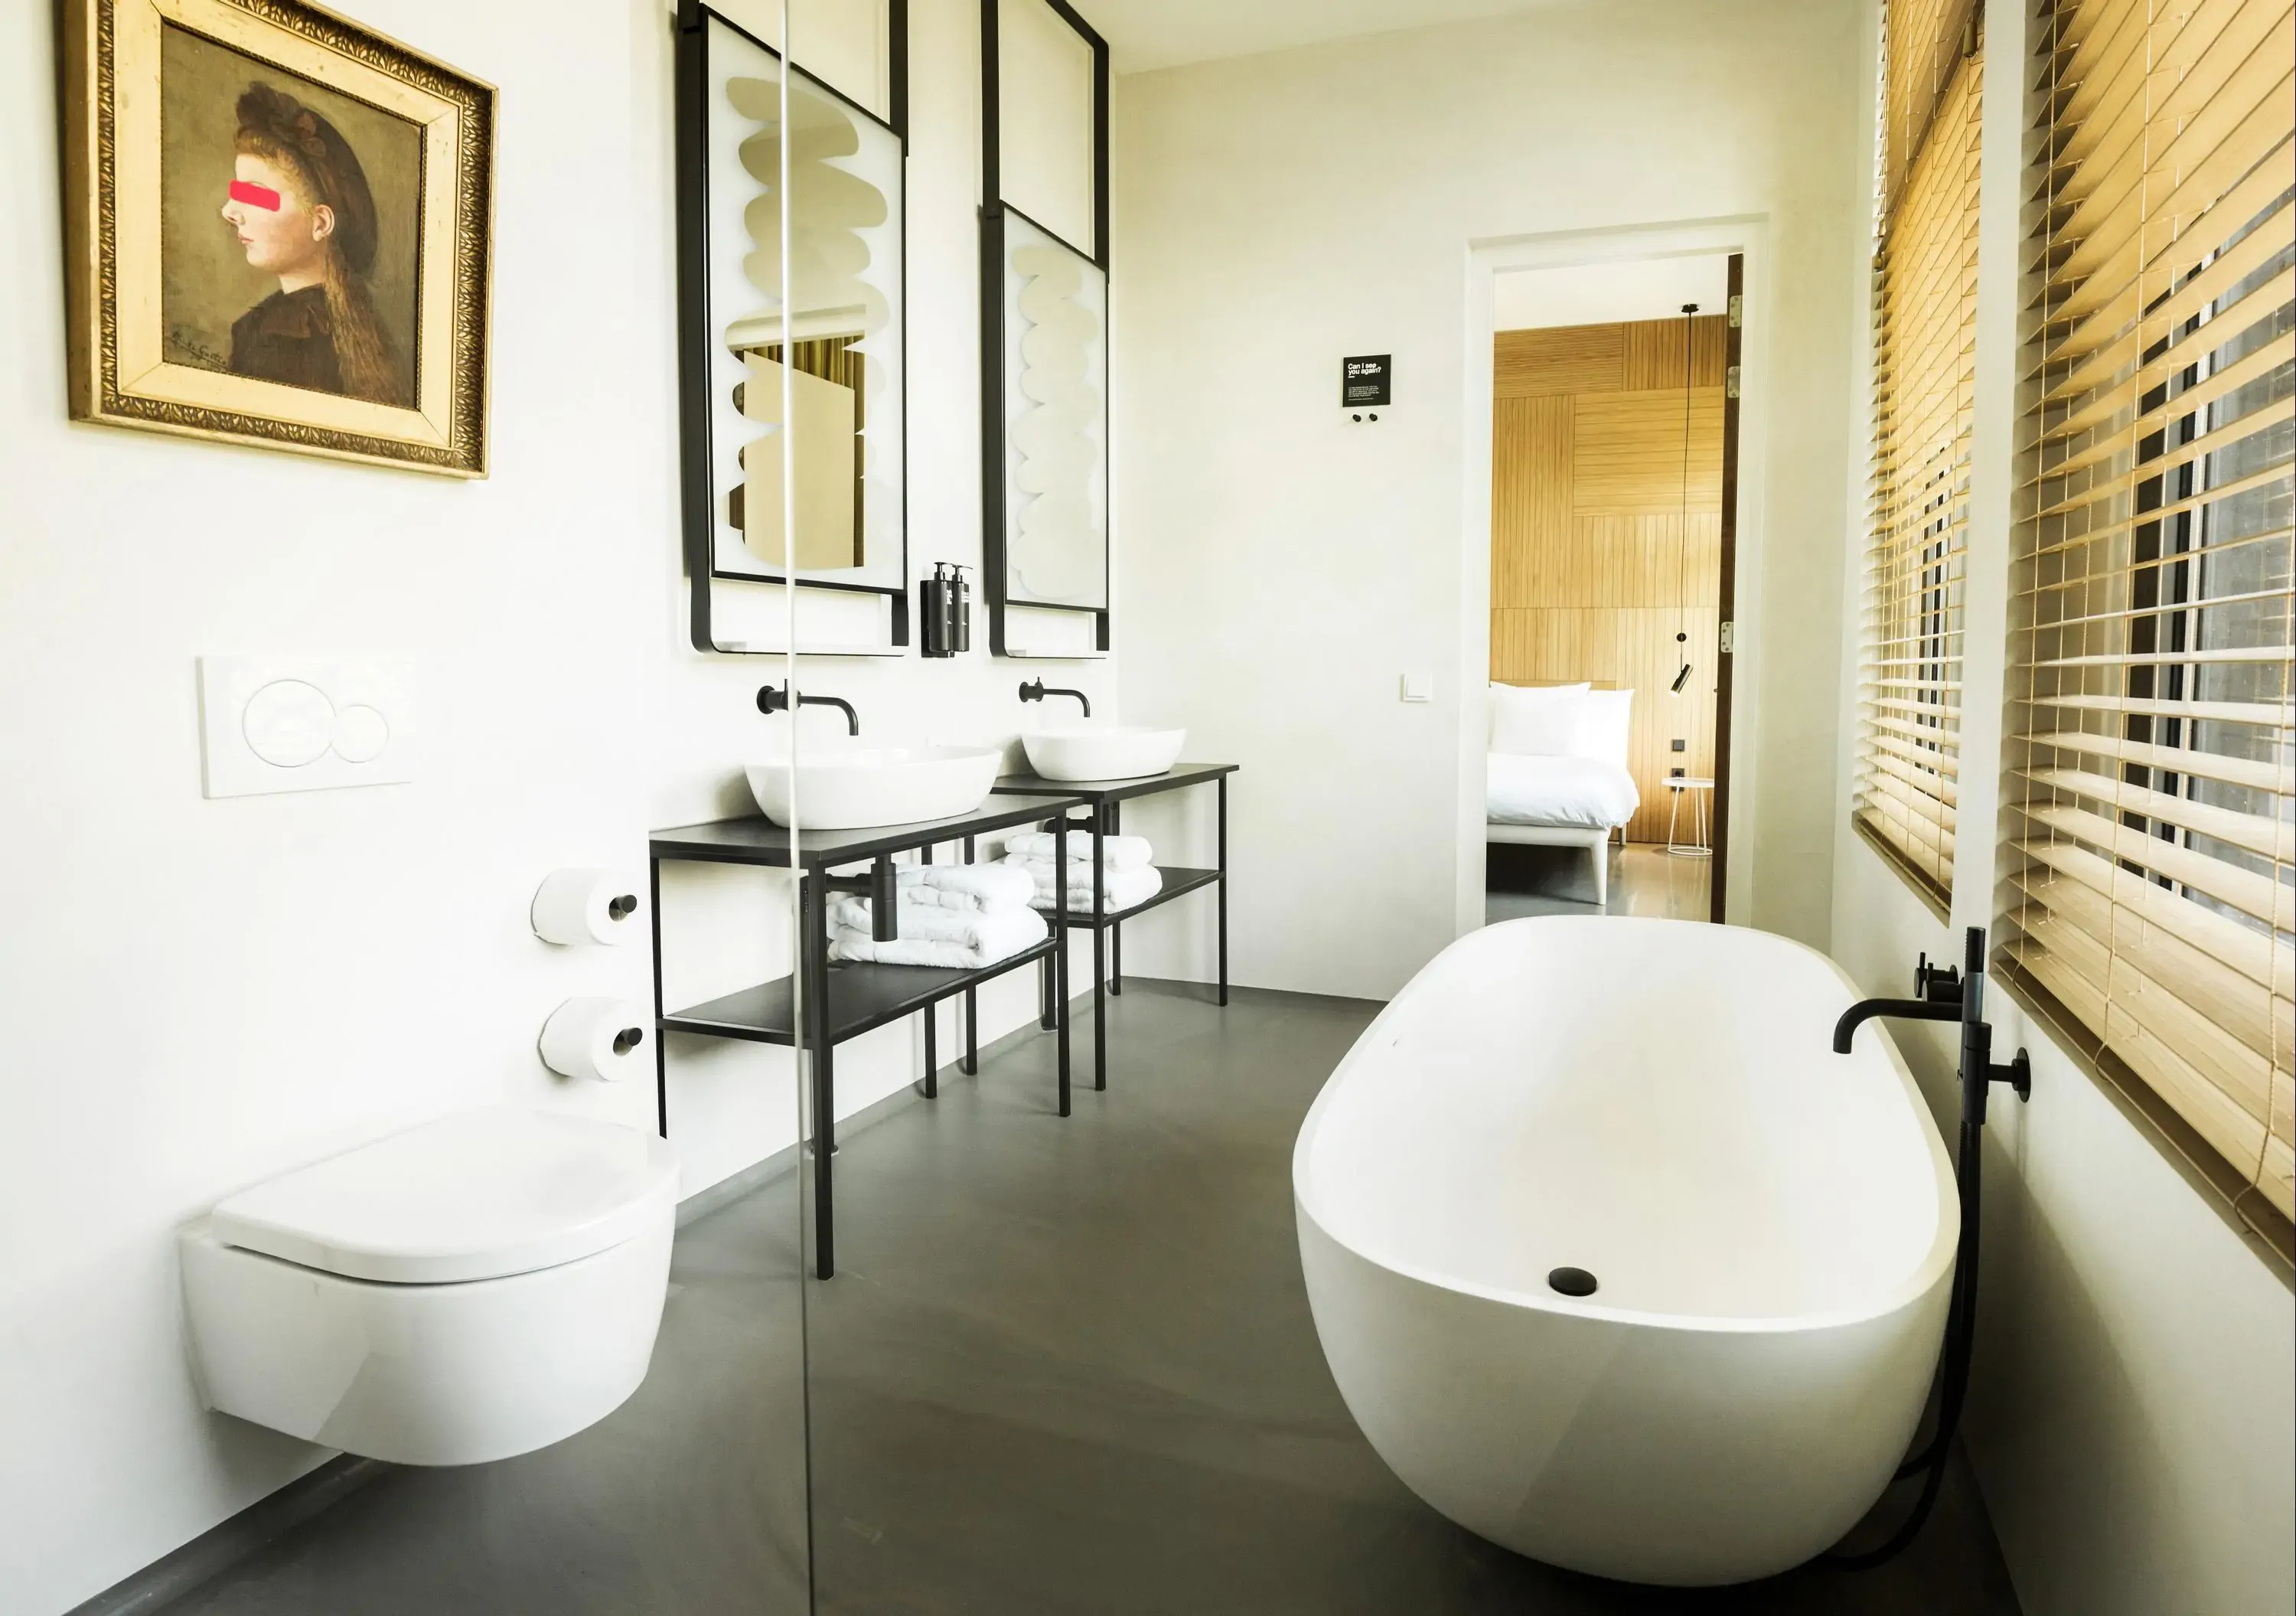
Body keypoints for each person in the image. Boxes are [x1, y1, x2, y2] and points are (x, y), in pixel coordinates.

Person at [218, 83, 406, 406]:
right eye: (237, 194)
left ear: (320, 223)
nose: (229, 212)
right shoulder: (256, 327)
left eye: (254, 195)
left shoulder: (284, 340)